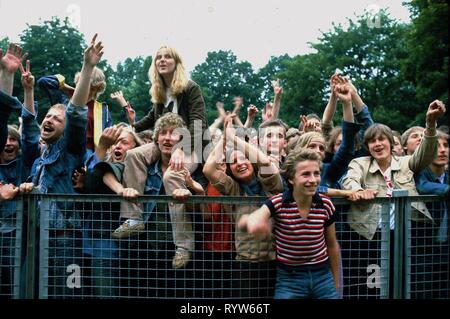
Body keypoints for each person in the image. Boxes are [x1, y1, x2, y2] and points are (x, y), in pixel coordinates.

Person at [19, 34, 104, 298]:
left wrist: (87, 67)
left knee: (67, 294)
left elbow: (77, 114)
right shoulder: (38, 157)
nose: (50, 120)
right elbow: (29, 131)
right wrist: (30, 91)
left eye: (57, 119)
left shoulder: (70, 152)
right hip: (37, 239)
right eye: (48, 116)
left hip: (67, 241)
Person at [342, 100, 446, 297]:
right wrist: (358, 191)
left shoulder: (406, 162)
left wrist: (430, 123)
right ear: (367, 146)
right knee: (374, 289)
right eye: (372, 141)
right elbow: (350, 181)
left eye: (382, 139)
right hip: (372, 237)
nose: (378, 144)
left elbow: (426, 153)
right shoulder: (360, 163)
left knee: (407, 286)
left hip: (407, 236)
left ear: (391, 142)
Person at [118, 45, 209, 269]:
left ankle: (184, 246)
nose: (162, 60)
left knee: (171, 176)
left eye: (167, 56)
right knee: (134, 155)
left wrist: (182, 147)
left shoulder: (190, 88)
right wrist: (133, 126)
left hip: (191, 145)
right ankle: (134, 218)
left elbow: (199, 124)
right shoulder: (160, 92)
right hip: (166, 142)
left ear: (176, 62)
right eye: (158, 57)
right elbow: (152, 118)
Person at [239, 148, 340, 299]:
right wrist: (252, 221)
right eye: (305, 174)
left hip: (323, 276)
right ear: (291, 179)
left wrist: (335, 281)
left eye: (316, 173)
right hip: (289, 278)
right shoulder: (278, 203)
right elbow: (254, 218)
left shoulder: (326, 205)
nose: (313, 180)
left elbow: (332, 244)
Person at [203, 114, 284, 298]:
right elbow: (208, 170)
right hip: (245, 265)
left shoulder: (269, 183)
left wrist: (235, 139)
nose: (240, 164)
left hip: (275, 263)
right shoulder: (233, 190)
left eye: (244, 159)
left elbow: (263, 162)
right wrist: (224, 138)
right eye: (233, 162)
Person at [37, 58, 112, 157]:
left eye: (85, 82)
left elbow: (108, 137)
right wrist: (66, 87)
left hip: (88, 154)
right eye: (79, 82)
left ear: (95, 88)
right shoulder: (66, 101)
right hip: (62, 150)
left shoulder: (102, 110)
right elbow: (43, 82)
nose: (80, 85)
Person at [414, 130, 449, 298]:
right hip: (422, 251)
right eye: (436, 146)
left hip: (445, 250)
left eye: (446, 145)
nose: (442, 150)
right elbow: (422, 187)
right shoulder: (419, 174)